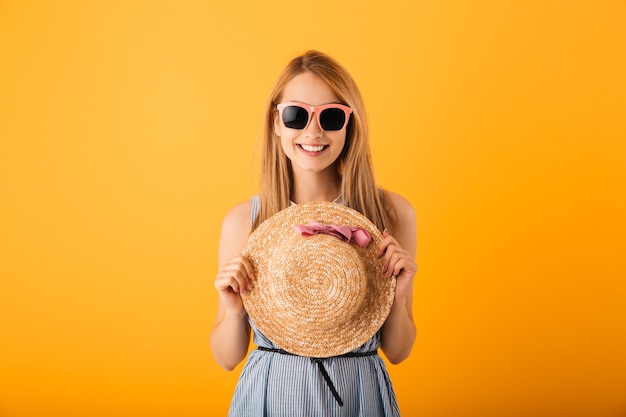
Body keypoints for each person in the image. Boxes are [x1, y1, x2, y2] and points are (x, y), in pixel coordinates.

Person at [211, 50, 417, 416]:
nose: (313, 131)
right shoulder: (244, 221)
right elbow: (227, 359)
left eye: (332, 116)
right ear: (276, 122)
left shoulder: (390, 214)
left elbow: (399, 352)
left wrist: (397, 298)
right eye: (296, 115)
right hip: (271, 394)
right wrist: (233, 310)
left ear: (349, 125)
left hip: (359, 394)